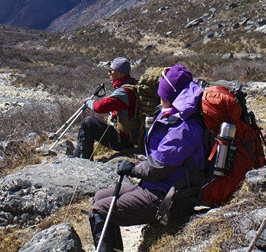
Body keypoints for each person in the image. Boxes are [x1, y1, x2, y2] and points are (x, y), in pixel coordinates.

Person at [88, 64, 207, 252]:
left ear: (169, 95)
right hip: (163, 185)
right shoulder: (183, 117)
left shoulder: (184, 128)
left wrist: (133, 169)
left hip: (168, 197)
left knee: (99, 210)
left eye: (162, 94)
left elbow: (158, 166)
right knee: (99, 197)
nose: (160, 99)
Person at [73, 57, 140, 160]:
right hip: (133, 138)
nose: (109, 73)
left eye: (111, 71)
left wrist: (88, 102)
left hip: (122, 141)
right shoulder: (133, 86)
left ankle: (82, 159)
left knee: (89, 123)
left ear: (120, 73)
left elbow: (99, 107)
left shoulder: (123, 92)